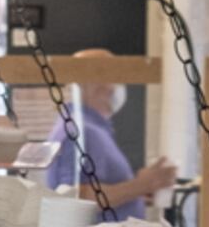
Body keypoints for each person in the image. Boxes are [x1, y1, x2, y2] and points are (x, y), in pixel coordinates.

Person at [41, 81, 177, 219]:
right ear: (99, 84)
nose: (118, 87)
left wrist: (137, 193)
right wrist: (141, 185)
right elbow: (74, 197)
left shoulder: (90, 128)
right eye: (115, 79)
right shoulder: (83, 130)